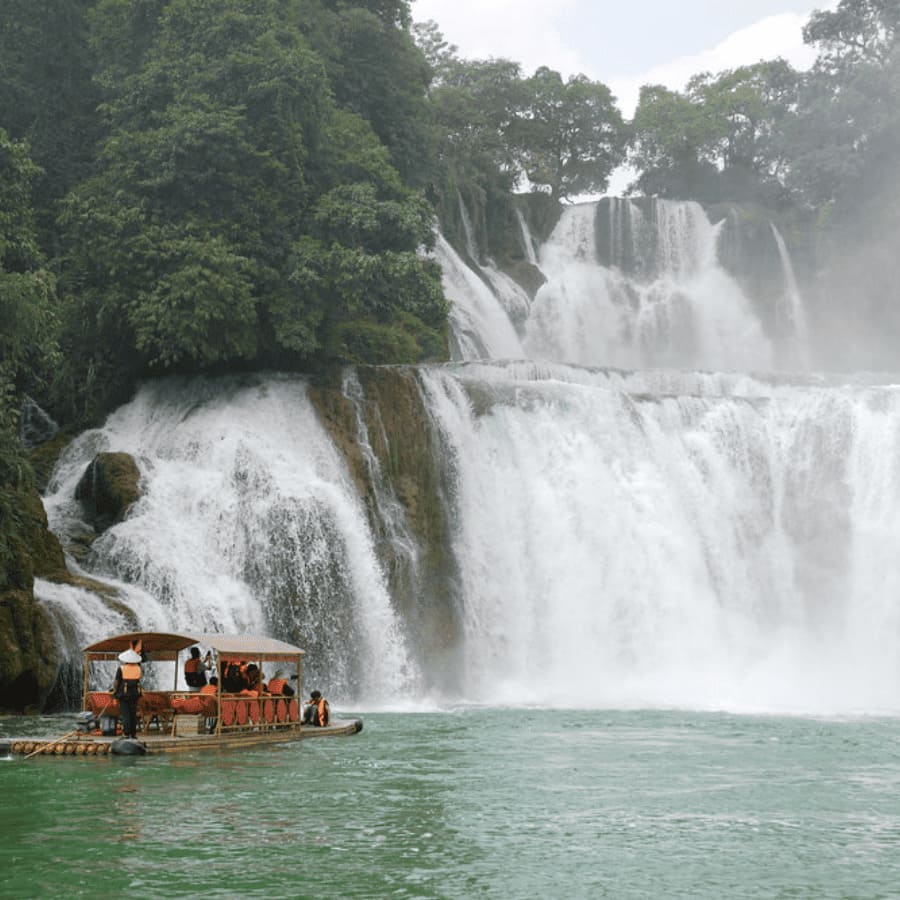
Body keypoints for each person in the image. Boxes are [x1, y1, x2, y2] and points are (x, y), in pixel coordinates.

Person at [112, 647, 143, 739]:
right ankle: (133, 734)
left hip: (124, 694)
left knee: (125, 714)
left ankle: (126, 733)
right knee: (133, 714)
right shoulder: (138, 668)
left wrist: (114, 691)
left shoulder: (121, 668)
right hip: (135, 694)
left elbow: (117, 681)